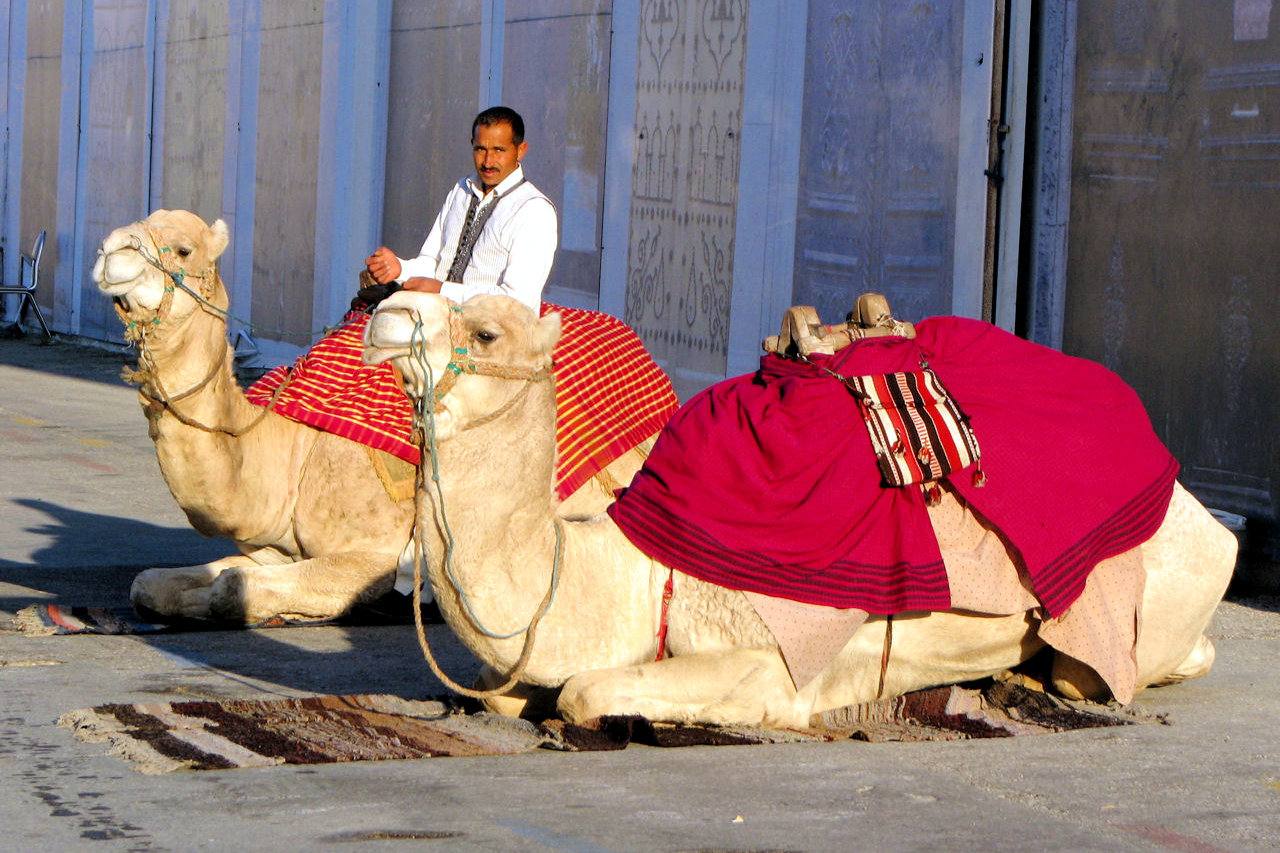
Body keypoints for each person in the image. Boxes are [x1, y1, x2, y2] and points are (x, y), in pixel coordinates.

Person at [364, 106, 557, 312]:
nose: (488, 161)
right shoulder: (462, 189)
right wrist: (399, 268)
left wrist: (442, 289)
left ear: (520, 150)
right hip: (437, 315)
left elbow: (519, 302)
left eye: (499, 150)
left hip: (493, 331)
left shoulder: (534, 210)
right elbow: (431, 262)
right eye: (480, 149)